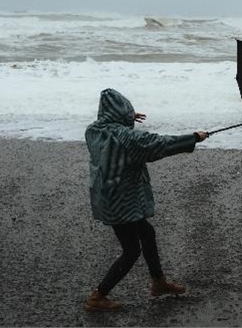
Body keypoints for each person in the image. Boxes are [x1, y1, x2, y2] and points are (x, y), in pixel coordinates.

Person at [83, 88, 208, 311]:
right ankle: (98, 296)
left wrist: (126, 118)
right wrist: (194, 138)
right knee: (131, 251)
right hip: (121, 202)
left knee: (147, 233)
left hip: (108, 196)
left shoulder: (93, 131)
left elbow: (113, 131)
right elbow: (158, 144)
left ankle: (158, 282)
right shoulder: (126, 138)